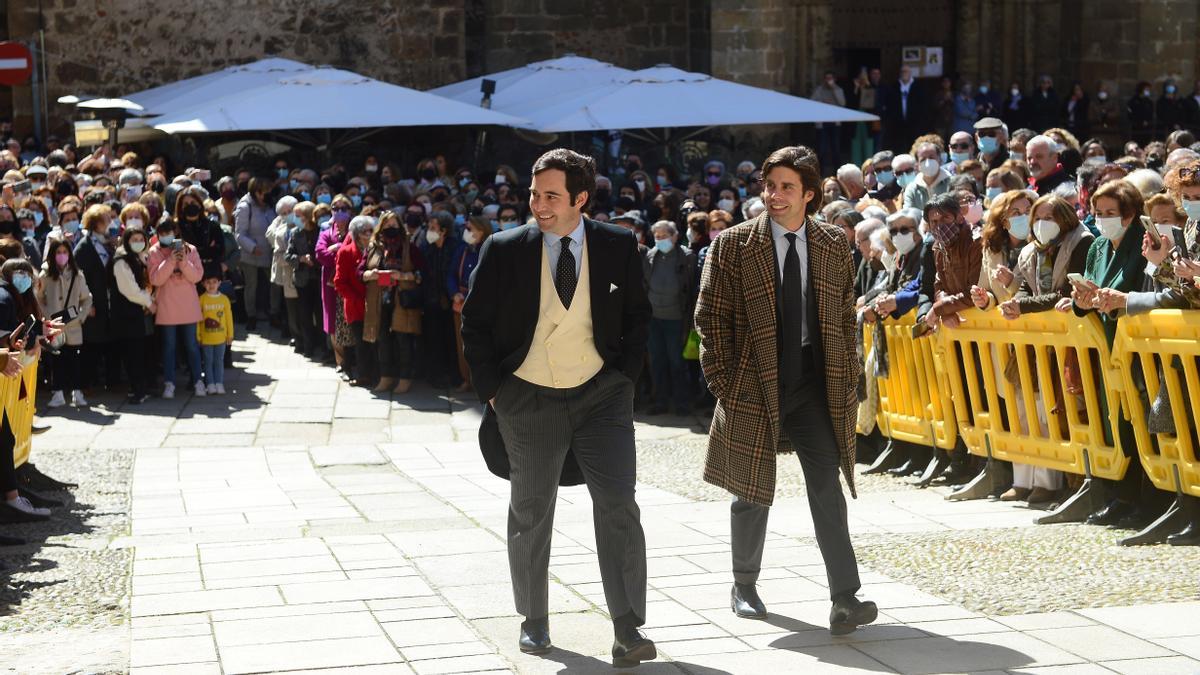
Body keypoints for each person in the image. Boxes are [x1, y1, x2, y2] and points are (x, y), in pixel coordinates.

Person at [460, 149, 655, 666]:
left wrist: (624, 381)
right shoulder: (503, 249)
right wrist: (495, 393)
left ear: (581, 198)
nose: (538, 205)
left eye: (550, 196)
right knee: (531, 509)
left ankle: (627, 628)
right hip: (527, 393)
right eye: (533, 194)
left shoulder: (616, 244)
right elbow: (474, 324)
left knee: (618, 503)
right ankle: (534, 619)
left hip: (602, 394)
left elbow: (638, 316)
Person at [694, 144, 876, 637]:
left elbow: (843, 314)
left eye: (785, 187)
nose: (773, 195)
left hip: (813, 383)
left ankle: (845, 597)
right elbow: (709, 317)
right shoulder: (733, 244)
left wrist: (849, 369)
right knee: (750, 489)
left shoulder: (833, 244)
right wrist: (725, 384)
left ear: (810, 194)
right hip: (753, 382)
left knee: (826, 485)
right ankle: (744, 584)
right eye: (768, 186)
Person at [1065, 180, 1153, 528]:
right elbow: (1085, 287)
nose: (1102, 219)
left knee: (1141, 420)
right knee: (1115, 420)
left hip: (1135, 343)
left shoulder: (1139, 243)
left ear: (1129, 214)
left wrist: (1106, 297)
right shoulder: (1098, 246)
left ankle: (1147, 499)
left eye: (1110, 213)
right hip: (1106, 344)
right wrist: (1081, 300)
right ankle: (1124, 495)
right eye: (1098, 213)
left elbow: (1132, 285)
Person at [359, 210, 424, 394]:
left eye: (394, 226)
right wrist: (369, 274)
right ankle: (386, 377)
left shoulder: (409, 247)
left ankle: (405, 378)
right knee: (383, 340)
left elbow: (422, 273)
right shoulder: (373, 247)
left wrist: (403, 275)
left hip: (402, 300)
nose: (391, 229)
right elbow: (359, 272)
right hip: (379, 301)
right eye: (387, 226)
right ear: (380, 227)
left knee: (403, 341)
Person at [148, 220, 205, 399]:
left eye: (169, 232)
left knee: (192, 346)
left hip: (188, 305)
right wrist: (171, 260)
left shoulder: (190, 249)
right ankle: (169, 383)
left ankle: (198, 381)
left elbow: (196, 276)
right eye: (162, 233)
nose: (166, 236)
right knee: (169, 347)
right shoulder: (154, 252)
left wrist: (183, 261)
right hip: (167, 306)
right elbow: (156, 279)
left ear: (176, 232)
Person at [38, 237, 92, 408]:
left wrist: (81, 317)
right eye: (58, 252)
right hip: (54, 326)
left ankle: (77, 392)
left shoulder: (77, 274)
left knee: (75, 360)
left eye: (65, 252)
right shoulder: (45, 274)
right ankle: (58, 392)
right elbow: (38, 298)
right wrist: (48, 318)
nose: (62, 255)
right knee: (57, 361)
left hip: (74, 326)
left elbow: (86, 298)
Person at [73, 203, 118, 392]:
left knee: (108, 343)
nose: (110, 223)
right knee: (91, 345)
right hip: (93, 302)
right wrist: (86, 303)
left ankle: (110, 380)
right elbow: (79, 277)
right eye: (106, 219)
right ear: (96, 223)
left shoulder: (107, 243)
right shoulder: (85, 246)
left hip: (107, 301)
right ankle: (85, 383)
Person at [109, 226, 153, 403]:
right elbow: (130, 291)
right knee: (132, 354)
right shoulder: (121, 261)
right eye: (133, 240)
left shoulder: (140, 257)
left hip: (138, 314)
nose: (138, 243)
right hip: (126, 315)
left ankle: (142, 388)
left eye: (140, 239)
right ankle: (137, 391)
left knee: (140, 353)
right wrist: (150, 303)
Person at [448, 215, 491, 394]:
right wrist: (454, 293)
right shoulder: (463, 250)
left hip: (482, 306)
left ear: (481, 231)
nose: (467, 232)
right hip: (461, 304)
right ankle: (466, 379)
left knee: (482, 346)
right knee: (462, 345)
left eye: (470, 229)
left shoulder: (490, 249)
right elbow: (450, 274)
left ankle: (483, 383)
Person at [419, 212, 459, 388]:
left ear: (444, 230)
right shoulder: (427, 248)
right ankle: (434, 376)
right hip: (431, 301)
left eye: (433, 228)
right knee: (433, 339)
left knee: (451, 340)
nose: (430, 231)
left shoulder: (455, 247)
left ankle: (454, 376)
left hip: (451, 302)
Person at [334, 216, 375, 387]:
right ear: (358, 234)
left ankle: (376, 372)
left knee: (374, 340)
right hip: (355, 306)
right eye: (367, 232)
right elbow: (339, 282)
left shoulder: (375, 250)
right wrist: (357, 298)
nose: (371, 234)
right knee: (361, 341)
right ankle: (364, 375)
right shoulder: (345, 252)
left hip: (374, 304)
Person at [233, 176, 275, 329]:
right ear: (257, 192)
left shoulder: (269, 205)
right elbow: (239, 234)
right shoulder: (245, 207)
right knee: (251, 285)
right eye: (265, 191)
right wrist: (252, 247)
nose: (268, 193)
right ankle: (251, 316)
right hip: (250, 254)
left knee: (273, 284)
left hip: (269, 252)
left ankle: (273, 313)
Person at [316, 195, 354, 367]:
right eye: (335, 208)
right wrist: (340, 253)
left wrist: (336, 251)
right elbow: (320, 254)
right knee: (332, 320)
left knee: (351, 317)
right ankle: (340, 361)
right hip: (330, 283)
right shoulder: (325, 230)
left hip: (351, 281)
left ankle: (354, 359)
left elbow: (356, 256)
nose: (339, 212)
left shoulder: (356, 230)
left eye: (343, 208)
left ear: (350, 211)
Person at [196, 269, 233, 394]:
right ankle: (210, 384)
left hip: (221, 338)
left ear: (219, 283)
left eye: (214, 282)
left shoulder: (224, 299)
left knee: (219, 361)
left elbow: (229, 318)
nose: (211, 285)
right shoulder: (201, 299)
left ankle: (219, 383)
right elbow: (198, 320)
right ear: (203, 284)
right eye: (208, 282)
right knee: (207, 361)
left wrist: (230, 335)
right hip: (206, 338)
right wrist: (198, 335)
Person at [903, 142, 953, 211]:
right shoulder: (911, 189)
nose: (927, 163)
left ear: (940, 159)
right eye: (923, 159)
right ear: (917, 164)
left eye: (931, 157)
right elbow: (909, 215)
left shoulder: (953, 183)